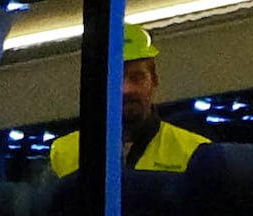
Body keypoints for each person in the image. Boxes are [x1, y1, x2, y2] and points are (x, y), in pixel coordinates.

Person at [46, 21, 208, 175]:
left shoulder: (195, 153)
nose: (126, 89)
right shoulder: (64, 154)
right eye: (114, 79)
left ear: (154, 80)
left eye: (137, 77)